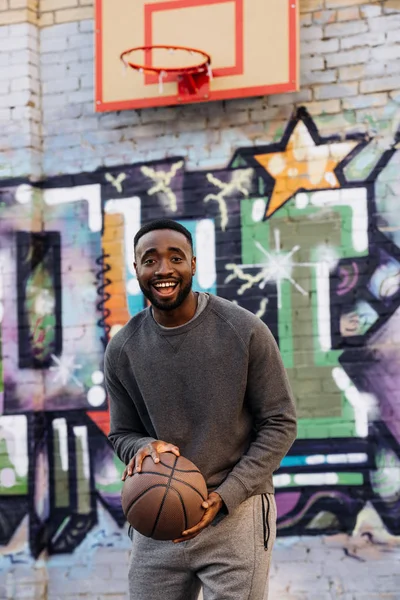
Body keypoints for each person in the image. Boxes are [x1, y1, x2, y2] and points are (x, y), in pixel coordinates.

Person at [104, 218, 297, 600]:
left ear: (193, 264)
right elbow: (121, 433)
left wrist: (228, 494)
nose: (163, 270)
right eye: (150, 260)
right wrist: (142, 447)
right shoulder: (123, 349)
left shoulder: (243, 330)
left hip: (235, 514)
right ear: (137, 269)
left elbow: (280, 423)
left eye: (176, 258)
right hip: (159, 517)